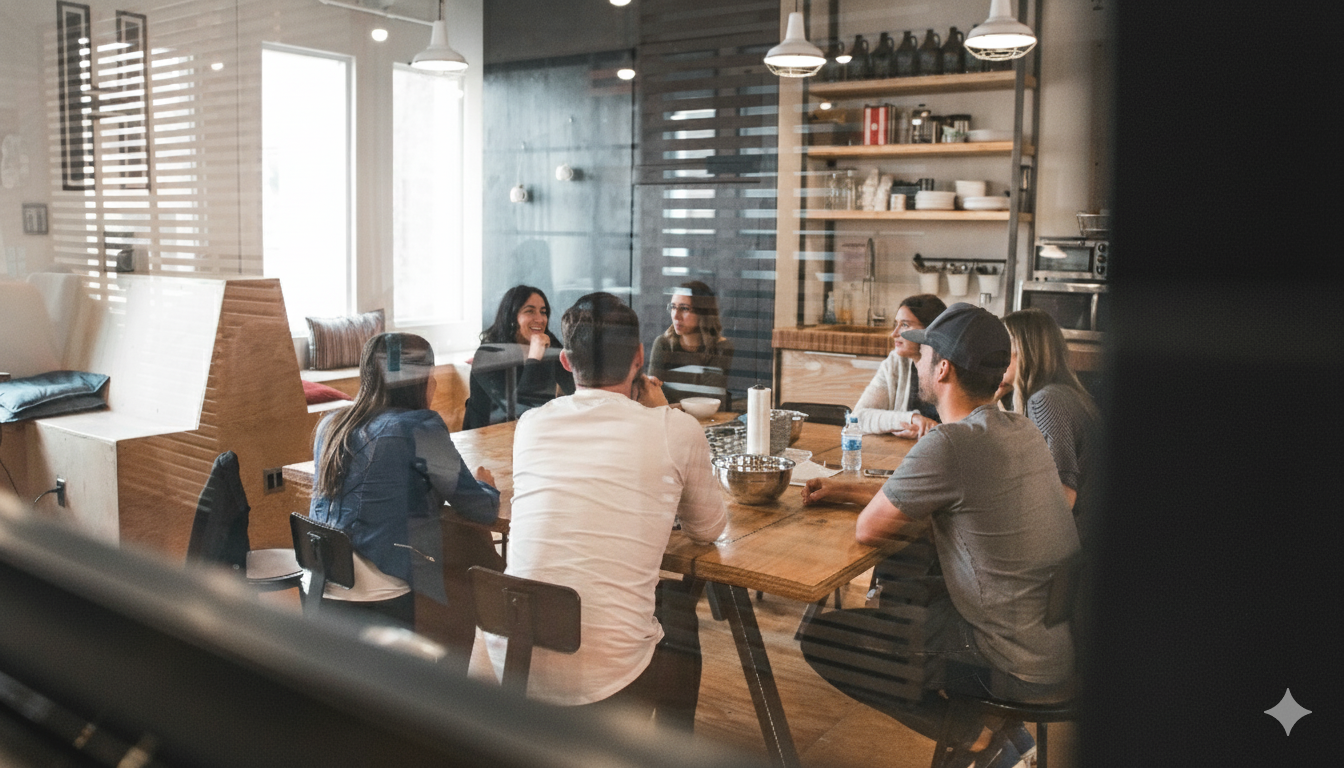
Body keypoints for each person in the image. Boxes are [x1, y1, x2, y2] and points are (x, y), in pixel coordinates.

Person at [798, 303, 1079, 768]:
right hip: (1052, 643)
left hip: (1007, 660)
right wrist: (847, 487)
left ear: (943, 368)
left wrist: (861, 499)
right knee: (910, 582)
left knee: (826, 640)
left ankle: (981, 739)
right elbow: (948, 495)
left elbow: (869, 529)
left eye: (925, 352)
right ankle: (999, 734)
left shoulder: (949, 443)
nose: (919, 359)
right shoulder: (1019, 428)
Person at [486, 292, 727, 729]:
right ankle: (675, 749)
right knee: (678, 614)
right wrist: (663, 413)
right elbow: (709, 529)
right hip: (608, 677)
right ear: (639, 358)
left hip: (512, 656)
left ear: (565, 361)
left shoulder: (532, 425)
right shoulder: (675, 428)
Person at [309, 333, 500, 634]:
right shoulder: (419, 426)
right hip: (380, 589)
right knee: (467, 565)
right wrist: (486, 485)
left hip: (322, 582)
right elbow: (479, 508)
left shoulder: (330, 426)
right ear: (422, 380)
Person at [1000, 308, 1100, 517]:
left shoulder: (1046, 401)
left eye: (1001, 348)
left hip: (1076, 541)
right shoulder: (1064, 393)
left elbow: (1062, 497)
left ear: (1024, 350)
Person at [463, 285, 575, 429]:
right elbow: (521, 410)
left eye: (543, 312)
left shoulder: (548, 343)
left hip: (534, 431)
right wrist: (535, 357)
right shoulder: (488, 354)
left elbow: (574, 388)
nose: (540, 319)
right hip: (488, 438)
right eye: (530, 311)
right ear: (511, 317)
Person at [851, 293, 946, 438]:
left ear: (930, 331)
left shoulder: (952, 367)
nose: (894, 334)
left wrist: (933, 430)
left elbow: (969, 430)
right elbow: (857, 418)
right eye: (896, 324)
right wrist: (912, 419)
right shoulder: (895, 362)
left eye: (905, 325)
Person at [647, 280, 734, 404]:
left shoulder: (722, 348)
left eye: (684, 309)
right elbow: (652, 396)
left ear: (703, 313)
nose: (676, 316)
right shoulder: (663, 344)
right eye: (673, 307)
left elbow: (711, 400)